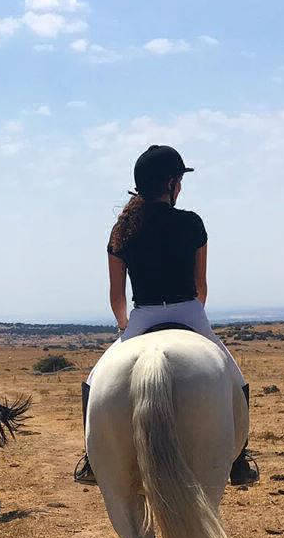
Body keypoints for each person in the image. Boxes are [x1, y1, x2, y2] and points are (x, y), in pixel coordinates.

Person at [74, 146, 259, 488]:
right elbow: (201, 286)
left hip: (141, 317)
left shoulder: (121, 230)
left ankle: (91, 460)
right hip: (190, 312)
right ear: (172, 183)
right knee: (236, 377)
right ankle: (240, 459)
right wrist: (192, 315)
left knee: (95, 380)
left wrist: (124, 327)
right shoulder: (191, 223)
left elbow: (116, 296)